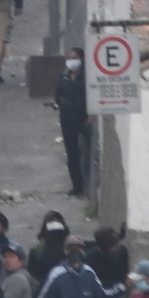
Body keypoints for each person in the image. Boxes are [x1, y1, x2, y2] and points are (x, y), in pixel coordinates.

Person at [55, 49, 92, 196]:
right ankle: (77, 187)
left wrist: (89, 118)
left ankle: (86, 183)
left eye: (75, 58)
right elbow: (58, 95)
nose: (71, 61)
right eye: (69, 58)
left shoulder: (87, 78)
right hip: (66, 119)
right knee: (72, 154)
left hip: (83, 119)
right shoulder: (64, 76)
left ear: (82, 59)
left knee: (87, 153)